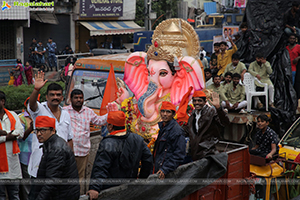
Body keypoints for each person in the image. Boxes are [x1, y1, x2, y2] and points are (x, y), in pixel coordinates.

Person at [87, 111, 152, 200]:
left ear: (110, 126)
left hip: (110, 191)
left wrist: (94, 188)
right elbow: (148, 160)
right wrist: (142, 179)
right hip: (130, 189)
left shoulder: (107, 143)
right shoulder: (137, 139)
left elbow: (101, 167)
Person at [27, 72, 73, 178]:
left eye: (58, 95)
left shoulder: (66, 114)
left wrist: (70, 159)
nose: (55, 97)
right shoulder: (39, 110)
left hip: (60, 165)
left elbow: (69, 139)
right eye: (52, 95)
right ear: (47, 97)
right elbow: (32, 104)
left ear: (62, 98)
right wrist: (36, 89)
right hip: (40, 165)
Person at [64, 89, 108, 194]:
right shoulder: (64, 111)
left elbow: (100, 121)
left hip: (82, 152)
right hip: (67, 151)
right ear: (71, 99)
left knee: (79, 178)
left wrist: (111, 111)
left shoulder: (88, 111)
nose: (79, 100)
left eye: (80, 98)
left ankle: (78, 196)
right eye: (76, 98)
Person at [29, 116, 80, 200]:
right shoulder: (51, 144)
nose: (38, 134)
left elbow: (51, 182)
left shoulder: (56, 150)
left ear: (52, 131)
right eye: (37, 130)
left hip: (63, 195)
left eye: (43, 130)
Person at [185, 91, 230, 161]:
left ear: (205, 101)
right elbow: (189, 131)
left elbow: (225, 123)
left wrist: (219, 108)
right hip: (195, 151)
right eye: (195, 101)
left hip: (208, 151)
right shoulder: (193, 114)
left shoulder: (211, 111)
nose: (197, 103)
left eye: (199, 101)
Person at [0, 91, 24, 200]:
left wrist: (4, 132)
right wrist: (7, 137)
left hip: (12, 163)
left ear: (2, 101)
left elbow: (21, 132)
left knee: (14, 195)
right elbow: (14, 133)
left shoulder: (12, 115)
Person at [153, 101, 186, 179]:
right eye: (163, 111)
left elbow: (179, 154)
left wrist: (165, 169)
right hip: (159, 167)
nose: (165, 114)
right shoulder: (163, 127)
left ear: (173, 115)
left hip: (167, 172)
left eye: (168, 112)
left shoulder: (177, 131)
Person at [17, 98, 34, 200]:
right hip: (26, 155)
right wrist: (31, 128)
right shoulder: (21, 118)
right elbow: (21, 137)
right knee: (27, 184)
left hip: (38, 155)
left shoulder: (40, 116)